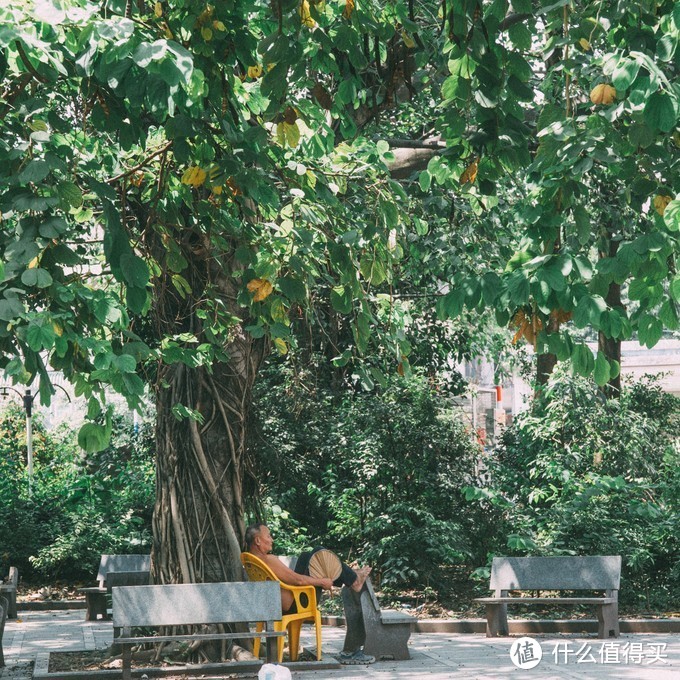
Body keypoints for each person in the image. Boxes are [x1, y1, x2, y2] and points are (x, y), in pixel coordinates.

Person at [244, 523, 371, 613]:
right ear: (258, 541)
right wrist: (322, 582)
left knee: (306, 556)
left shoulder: (250, 559)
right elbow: (298, 580)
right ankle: (354, 580)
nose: (272, 539)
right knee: (319, 551)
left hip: (278, 606)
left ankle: (349, 576)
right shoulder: (268, 559)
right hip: (297, 604)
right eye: (268, 536)